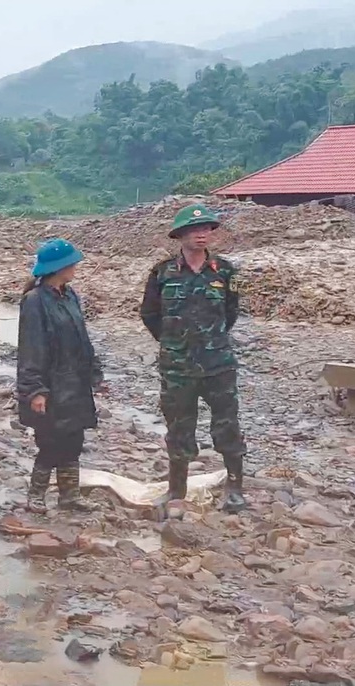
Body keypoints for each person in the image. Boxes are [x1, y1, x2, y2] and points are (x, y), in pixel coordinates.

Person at [139, 204, 247, 515]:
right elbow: (149, 314)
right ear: (181, 235)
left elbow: (231, 313)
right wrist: (174, 342)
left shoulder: (225, 271)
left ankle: (236, 488)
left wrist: (210, 341)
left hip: (218, 365)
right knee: (179, 428)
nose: (202, 234)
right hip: (177, 368)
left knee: (227, 425)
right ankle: (177, 491)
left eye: (207, 229)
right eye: (194, 229)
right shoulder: (162, 273)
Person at [16, 238, 102, 514]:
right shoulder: (34, 301)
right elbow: (31, 348)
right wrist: (35, 390)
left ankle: (69, 495)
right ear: (59, 267)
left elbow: (82, 339)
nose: (76, 266)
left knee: (74, 440)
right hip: (51, 385)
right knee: (50, 442)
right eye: (72, 263)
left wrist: (95, 373)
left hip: (74, 383)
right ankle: (36, 496)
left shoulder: (69, 295)